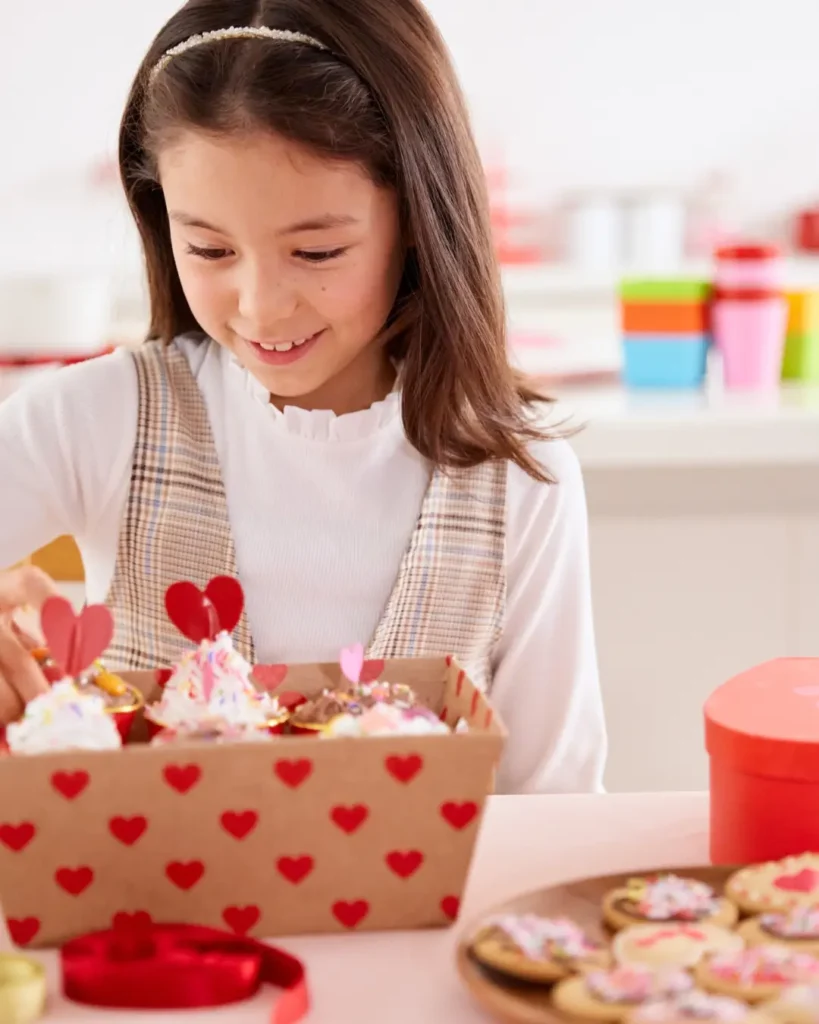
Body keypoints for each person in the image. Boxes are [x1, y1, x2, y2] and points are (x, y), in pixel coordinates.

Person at [0, 0, 606, 793]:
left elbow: (552, 797)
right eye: (209, 248)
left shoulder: (520, 481)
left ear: (417, 218)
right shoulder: (103, 419)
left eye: (316, 250)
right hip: (145, 913)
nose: (260, 306)